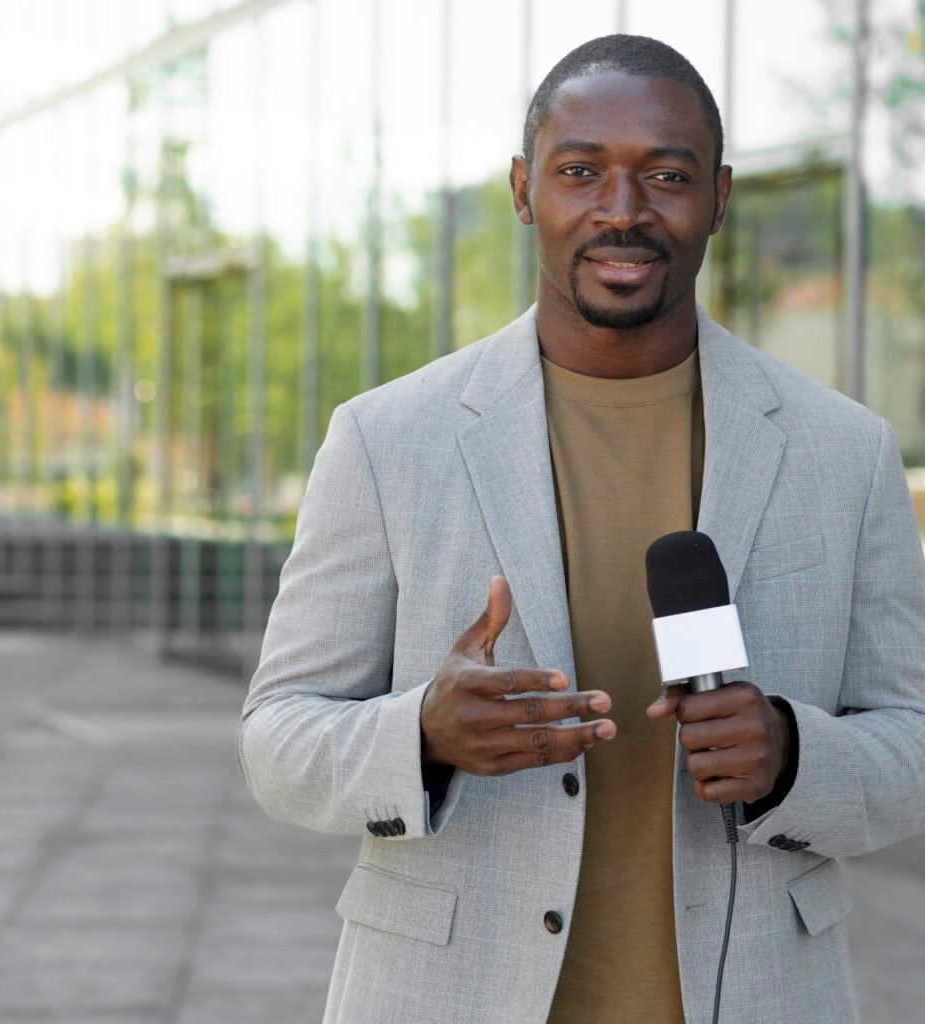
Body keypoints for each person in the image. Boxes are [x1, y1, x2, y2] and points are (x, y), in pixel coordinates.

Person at [237, 34, 925, 1024]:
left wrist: (789, 752)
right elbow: (277, 739)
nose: (621, 210)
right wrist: (420, 733)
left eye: (666, 175)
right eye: (579, 171)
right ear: (524, 190)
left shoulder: (842, 451)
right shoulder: (387, 440)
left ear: (719, 198)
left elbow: (910, 741)